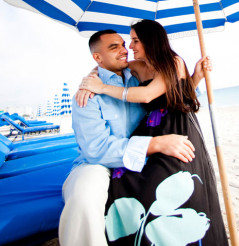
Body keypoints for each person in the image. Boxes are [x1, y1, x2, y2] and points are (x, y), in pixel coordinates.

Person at [79, 20, 228, 245]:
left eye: (135, 40)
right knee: (126, 182)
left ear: (151, 40)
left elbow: (154, 95)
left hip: (176, 126)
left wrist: (101, 88)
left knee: (173, 181)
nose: (130, 46)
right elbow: (106, 66)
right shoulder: (137, 66)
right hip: (150, 130)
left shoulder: (174, 62)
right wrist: (88, 81)